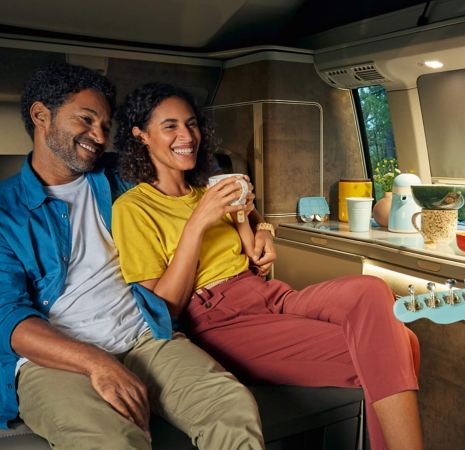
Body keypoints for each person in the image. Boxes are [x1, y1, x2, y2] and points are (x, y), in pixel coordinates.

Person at [111, 82, 424, 450]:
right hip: (217, 319)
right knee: (401, 345)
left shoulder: (209, 189)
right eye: (170, 126)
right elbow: (164, 308)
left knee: (372, 290)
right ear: (141, 135)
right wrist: (198, 223)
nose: (186, 135)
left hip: (269, 295)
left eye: (191, 124)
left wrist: (262, 228)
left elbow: (252, 236)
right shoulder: (132, 209)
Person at [0, 63, 264, 449]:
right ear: (41, 116)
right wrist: (96, 363)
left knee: (230, 407)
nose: (99, 136)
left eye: (106, 126)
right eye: (86, 120)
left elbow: (203, 168)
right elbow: (8, 319)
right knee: (112, 441)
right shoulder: (6, 210)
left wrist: (259, 225)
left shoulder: (117, 174)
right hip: (55, 359)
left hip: (144, 336)